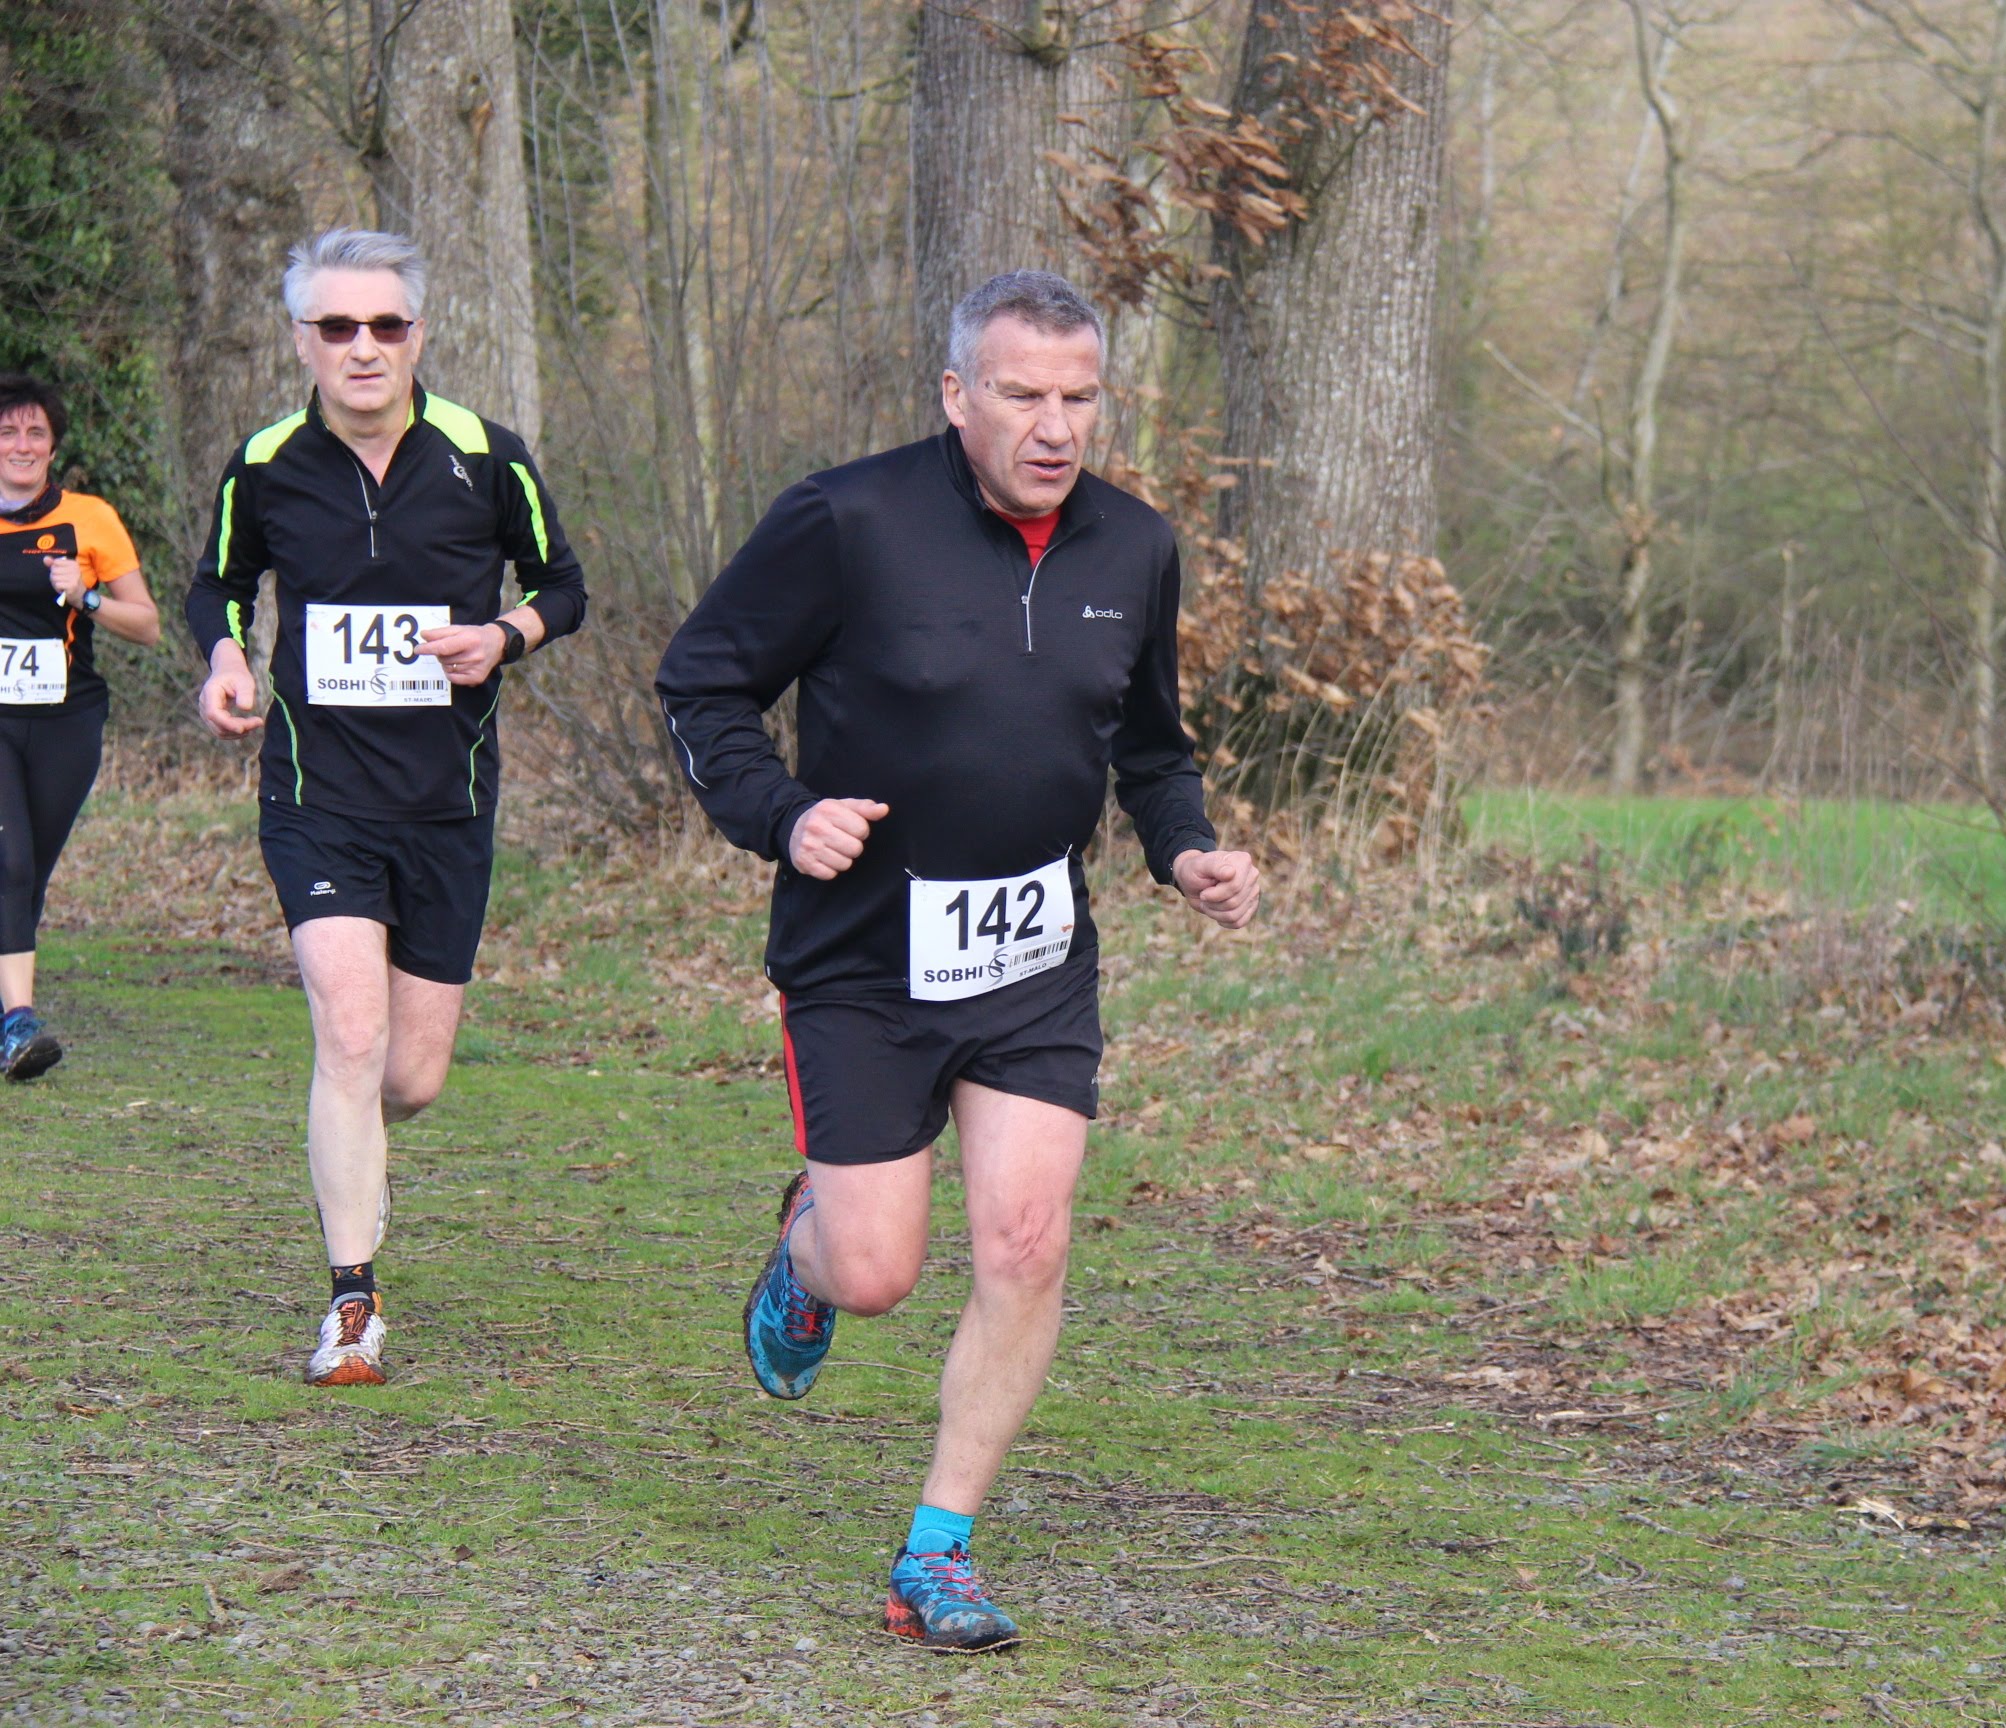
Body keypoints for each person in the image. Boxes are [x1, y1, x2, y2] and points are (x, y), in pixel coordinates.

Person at [657, 270, 1259, 1651]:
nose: (1055, 426)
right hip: (865, 957)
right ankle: (808, 1257)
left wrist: (1186, 851)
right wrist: (781, 813)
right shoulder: (847, 521)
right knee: (878, 1270)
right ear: (955, 394)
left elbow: (1151, 749)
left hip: (1034, 959)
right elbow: (701, 684)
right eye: (1021, 393)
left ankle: (938, 1551)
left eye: (1080, 397)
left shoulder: (1135, 547)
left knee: (1027, 1241)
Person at [185, 228, 587, 1388]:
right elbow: (217, 583)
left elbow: (563, 585)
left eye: (385, 325)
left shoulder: (486, 457)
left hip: (447, 803)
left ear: (418, 334)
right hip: (317, 796)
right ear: (301, 340)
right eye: (337, 326)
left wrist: (505, 636)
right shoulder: (265, 464)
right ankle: (352, 1304)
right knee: (350, 1036)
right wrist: (224, 658)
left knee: (408, 1078)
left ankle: (354, 1146)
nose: (362, 347)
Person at [0, 373, 161, 1080]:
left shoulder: (90, 518)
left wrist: (86, 595)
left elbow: (147, 625)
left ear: (53, 445)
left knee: (27, 874)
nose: (21, 444)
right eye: (7, 431)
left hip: (67, 720)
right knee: (8, 863)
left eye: (35, 432)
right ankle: (18, 1023)